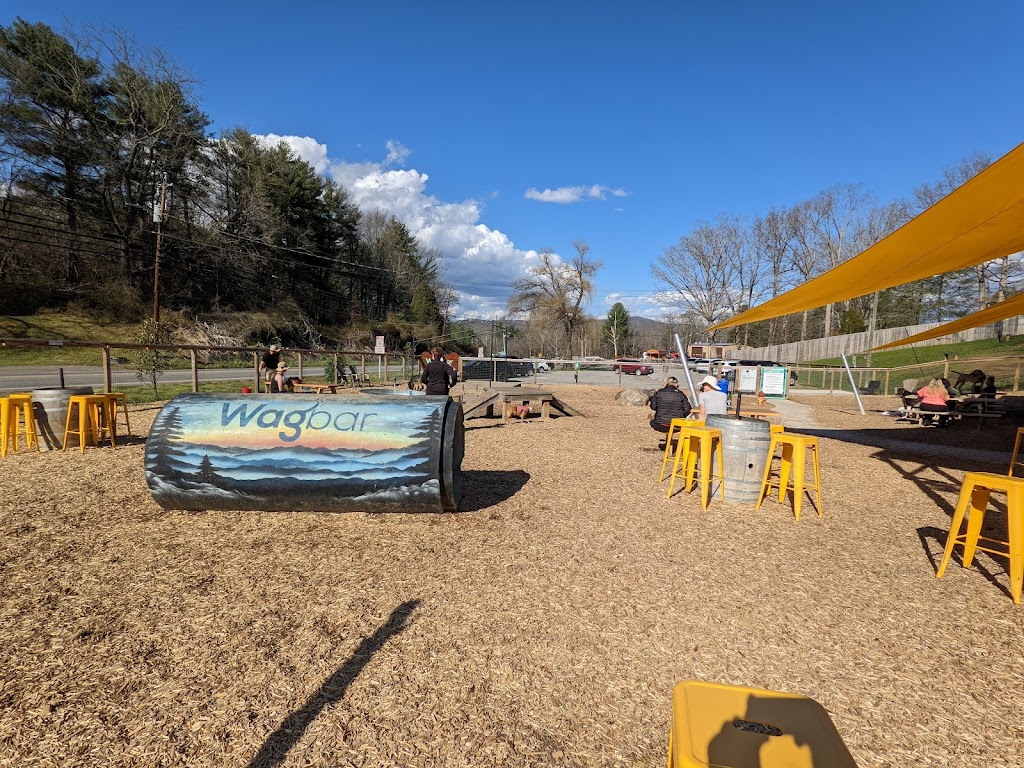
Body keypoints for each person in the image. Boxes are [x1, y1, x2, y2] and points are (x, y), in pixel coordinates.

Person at [648, 376, 692, 447]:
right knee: (672, 425)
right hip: (676, 425)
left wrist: (661, 409)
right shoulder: (680, 394)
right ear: (676, 384)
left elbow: (653, 407)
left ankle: (667, 445)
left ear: (667, 383)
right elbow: (687, 409)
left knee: (652, 419)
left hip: (660, 424)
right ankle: (669, 445)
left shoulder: (659, 392)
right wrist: (681, 415)